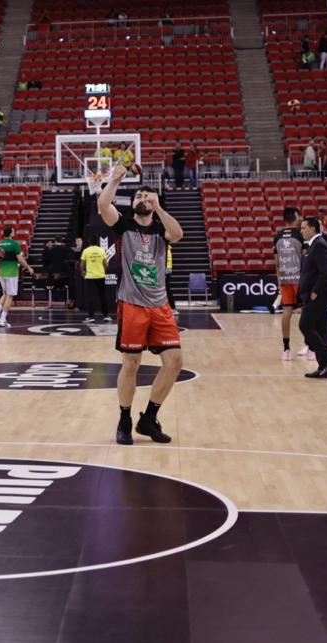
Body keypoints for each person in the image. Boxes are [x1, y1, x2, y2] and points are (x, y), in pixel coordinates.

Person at [98, 167, 184, 444]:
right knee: (131, 362)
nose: (143, 199)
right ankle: (124, 418)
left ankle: (149, 418)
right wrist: (115, 180)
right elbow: (102, 205)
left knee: (174, 362)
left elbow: (178, 234)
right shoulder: (123, 225)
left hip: (159, 304)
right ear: (133, 203)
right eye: (139, 196)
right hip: (132, 303)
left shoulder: (161, 228)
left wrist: (158, 206)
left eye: (147, 197)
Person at [298, 216, 327, 378]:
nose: (301, 231)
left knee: (305, 325)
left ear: (313, 228)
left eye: (303, 228)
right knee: (321, 331)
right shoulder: (314, 245)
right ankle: (325, 367)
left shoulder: (319, 245)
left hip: (320, 296)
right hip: (318, 296)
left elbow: (326, 271)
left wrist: (315, 290)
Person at [274, 207, 306, 361]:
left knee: (286, 313)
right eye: (299, 215)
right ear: (294, 216)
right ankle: (310, 347)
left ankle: (286, 350)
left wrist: (280, 280)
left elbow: (276, 263)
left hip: (285, 279)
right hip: (300, 279)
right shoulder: (301, 235)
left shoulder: (278, 236)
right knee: (306, 312)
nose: (301, 218)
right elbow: (305, 258)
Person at [0, 226, 35, 327]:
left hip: (2, 272)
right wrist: (28, 267)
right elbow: (20, 258)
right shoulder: (14, 244)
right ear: (11, 233)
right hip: (11, 273)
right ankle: (2, 319)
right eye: (13, 231)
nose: (14, 232)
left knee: (5, 293)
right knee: (10, 296)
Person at [80, 235, 110, 323]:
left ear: (89, 242)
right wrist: (103, 271)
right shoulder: (101, 250)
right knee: (103, 296)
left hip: (90, 277)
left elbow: (82, 264)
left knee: (91, 296)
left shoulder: (86, 251)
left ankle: (91, 317)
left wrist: (83, 272)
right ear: (98, 242)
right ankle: (106, 316)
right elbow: (107, 265)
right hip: (101, 276)